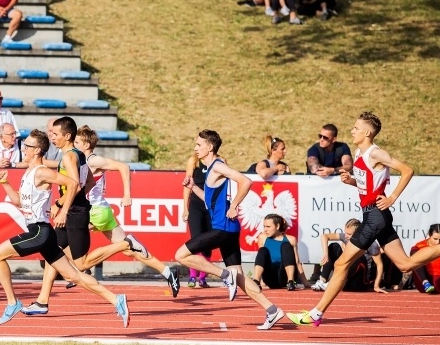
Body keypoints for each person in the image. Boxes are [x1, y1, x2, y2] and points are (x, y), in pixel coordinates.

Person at [288, 112, 440, 326]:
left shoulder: (376, 153)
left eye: (356, 128)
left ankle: (316, 314)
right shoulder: (359, 153)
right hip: (373, 215)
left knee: (342, 262)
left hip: (375, 216)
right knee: (405, 265)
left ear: (368, 132)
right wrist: (352, 182)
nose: (352, 131)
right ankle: (316, 314)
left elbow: (408, 170)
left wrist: (392, 198)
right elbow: (368, 184)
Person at [0, 129, 131, 327]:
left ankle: (13, 303)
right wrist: (5, 183)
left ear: (37, 150)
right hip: (42, 234)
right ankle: (117, 300)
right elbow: (18, 201)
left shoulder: (42, 171)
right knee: (74, 275)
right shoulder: (29, 173)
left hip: (40, 232)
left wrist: (63, 210)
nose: (23, 148)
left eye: (27, 146)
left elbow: (73, 184)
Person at [20, 118, 148, 314]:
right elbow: (88, 183)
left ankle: (126, 244)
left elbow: (76, 185)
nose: (52, 138)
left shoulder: (69, 157)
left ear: (67, 136)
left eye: (56, 134)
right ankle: (42, 301)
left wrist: (61, 205)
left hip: (75, 212)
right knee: (52, 253)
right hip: (76, 208)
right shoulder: (79, 155)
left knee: (82, 263)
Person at [174, 130, 285, 330]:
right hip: (228, 229)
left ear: (209, 147)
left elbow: (246, 181)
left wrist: (234, 205)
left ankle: (225, 276)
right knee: (241, 277)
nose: (195, 148)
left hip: (223, 228)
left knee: (181, 255)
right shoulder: (210, 170)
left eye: (199, 145)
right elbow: (210, 202)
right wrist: (193, 187)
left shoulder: (218, 166)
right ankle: (272, 310)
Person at [68, 125, 179, 295]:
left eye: (77, 142)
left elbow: (124, 167)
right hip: (102, 211)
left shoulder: (92, 160)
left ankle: (81, 270)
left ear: (87, 145)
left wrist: (127, 194)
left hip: (93, 212)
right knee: (130, 250)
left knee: (64, 237)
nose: (74, 145)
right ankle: (168, 272)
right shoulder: (81, 160)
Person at [312, 218, 384, 294]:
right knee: (334, 246)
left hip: (360, 282)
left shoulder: (371, 243)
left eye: (349, 234)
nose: (346, 236)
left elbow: (379, 265)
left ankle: (332, 283)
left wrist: (376, 285)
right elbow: (324, 236)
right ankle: (322, 281)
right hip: (345, 281)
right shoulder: (346, 237)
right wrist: (326, 254)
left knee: (357, 255)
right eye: (345, 233)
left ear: (358, 233)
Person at [252, 214, 310, 291]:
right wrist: (263, 281)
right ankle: (256, 281)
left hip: (284, 277)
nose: (265, 230)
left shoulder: (291, 239)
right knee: (262, 250)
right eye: (264, 226)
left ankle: (290, 282)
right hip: (271, 278)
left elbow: (297, 262)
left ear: (277, 226)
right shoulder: (262, 237)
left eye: (268, 227)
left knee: (286, 245)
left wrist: (305, 282)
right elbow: (262, 260)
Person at [182, 152, 209, 288]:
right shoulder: (193, 161)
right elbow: (187, 185)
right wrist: (185, 208)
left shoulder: (219, 162)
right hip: (196, 206)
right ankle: (192, 276)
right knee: (196, 239)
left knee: (209, 241)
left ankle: (203, 277)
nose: (197, 149)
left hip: (212, 207)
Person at [409, 224, 440, 294]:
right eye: (435, 239)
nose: (438, 242)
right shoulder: (419, 246)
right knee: (414, 252)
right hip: (424, 282)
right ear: (429, 235)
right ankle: (425, 282)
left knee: (438, 283)